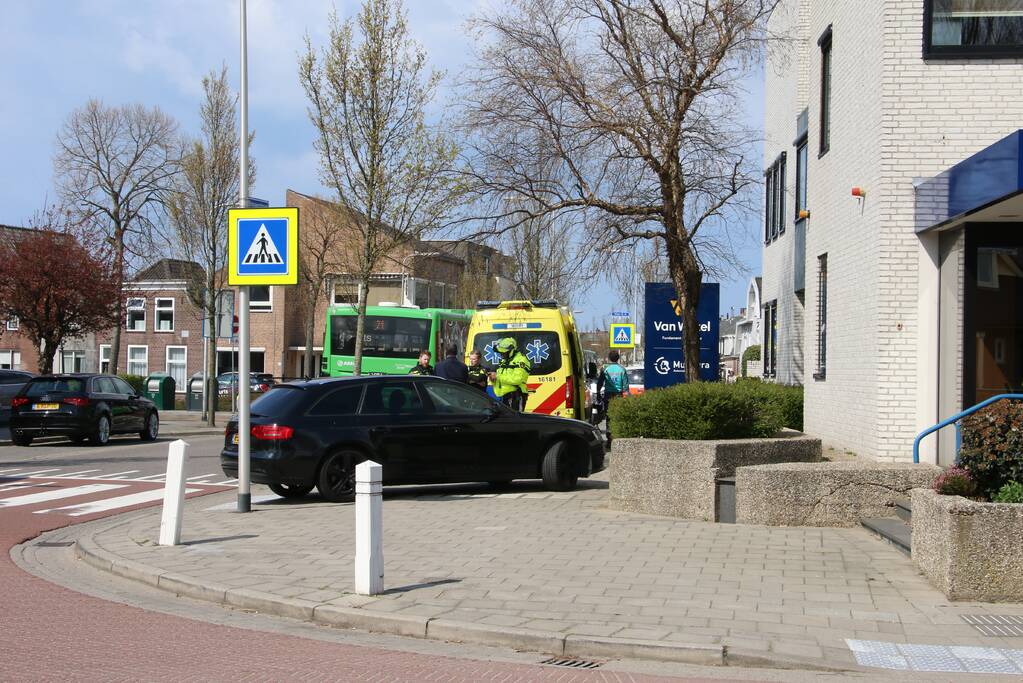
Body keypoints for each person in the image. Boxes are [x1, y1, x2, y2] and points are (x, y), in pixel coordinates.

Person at [489, 337, 531, 411]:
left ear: (511, 351)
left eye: (503, 353)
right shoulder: (505, 360)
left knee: (514, 421)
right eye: (501, 353)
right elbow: (502, 378)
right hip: (503, 397)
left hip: (515, 396)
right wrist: (493, 379)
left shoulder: (521, 360)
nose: (501, 355)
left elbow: (517, 379)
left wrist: (497, 376)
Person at [597, 350, 629, 443]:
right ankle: (616, 437)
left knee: (609, 417)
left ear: (609, 358)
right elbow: (626, 386)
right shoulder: (622, 369)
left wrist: (598, 393)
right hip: (618, 395)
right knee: (617, 416)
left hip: (608, 395)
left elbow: (600, 382)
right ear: (618, 358)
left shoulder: (605, 369)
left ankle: (609, 439)